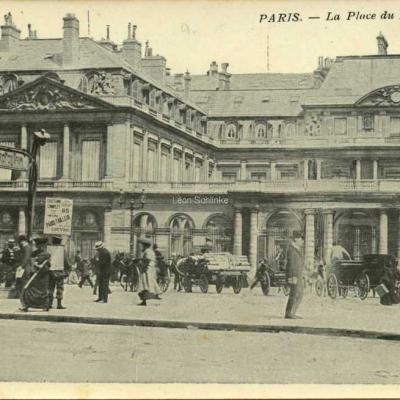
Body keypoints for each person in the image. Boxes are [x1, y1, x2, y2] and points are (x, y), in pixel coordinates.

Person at [285, 231, 305, 319]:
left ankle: (292, 312)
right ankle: (289, 313)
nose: (302, 241)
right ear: (296, 239)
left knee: (299, 293)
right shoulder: (292, 250)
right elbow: (291, 264)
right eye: (301, 239)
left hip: (298, 275)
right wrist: (292, 277)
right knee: (295, 294)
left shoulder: (295, 249)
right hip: (295, 276)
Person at [137, 238, 162, 306]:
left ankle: (144, 301)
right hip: (151, 270)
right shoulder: (151, 251)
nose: (141, 247)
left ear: (145, 246)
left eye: (142, 245)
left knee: (144, 285)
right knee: (150, 283)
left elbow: (147, 260)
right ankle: (154, 296)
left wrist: (142, 265)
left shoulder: (147, 252)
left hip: (146, 270)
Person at [48, 236, 69, 309]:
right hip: (59, 271)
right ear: (60, 242)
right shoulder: (62, 250)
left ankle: (49, 304)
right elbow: (66, 261)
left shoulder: (49, 249)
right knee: (60, 288)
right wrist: (67, 269)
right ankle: (59, 304)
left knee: (50, 287)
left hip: (50, 271)